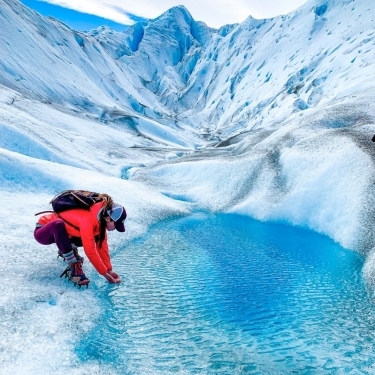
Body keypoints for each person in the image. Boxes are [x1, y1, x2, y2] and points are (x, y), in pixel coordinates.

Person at [34, 195, 126, 287]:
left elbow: (102, 247)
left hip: (66, 234)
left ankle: (67, 249)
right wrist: (105, 275)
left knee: (93, 236)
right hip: (44, 231)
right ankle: (72, 265)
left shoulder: (100, 221)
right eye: (116, 225)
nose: (115, 228)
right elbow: (90, 251)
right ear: (108, 218)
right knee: (59, 225)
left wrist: (109, 270)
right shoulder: (87, 220)